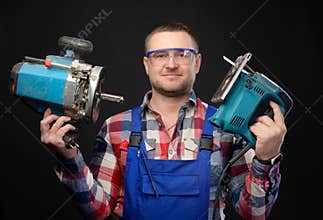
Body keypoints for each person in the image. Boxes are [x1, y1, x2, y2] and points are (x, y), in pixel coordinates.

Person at [40, 21, 287, 220]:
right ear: (147, 64)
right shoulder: (116, 127)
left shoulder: (227, 129)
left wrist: (266, 160)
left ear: (197, 62)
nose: (171, 64)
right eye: (160, 56)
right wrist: (69, 157)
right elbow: (98, 211)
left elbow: (254, 213)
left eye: (182, 54)